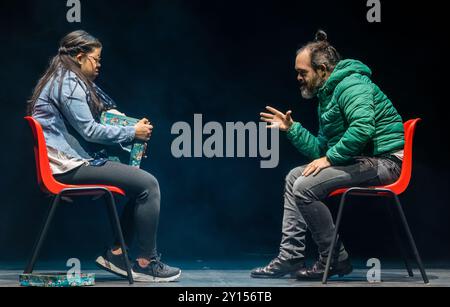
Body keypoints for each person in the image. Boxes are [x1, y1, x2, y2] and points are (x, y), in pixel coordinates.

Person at [27, 30, 181, 282]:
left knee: (140, 184)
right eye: (95, 59)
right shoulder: (67, 83)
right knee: (149, 184)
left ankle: (117, 254)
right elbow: (89, 130)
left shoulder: (64, 79)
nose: (99, 65)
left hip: (69, 162)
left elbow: (100, 114)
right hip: (67, 167)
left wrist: (125, 124)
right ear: (79, 57)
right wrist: (132, 131)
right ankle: (145, 262)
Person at [252, 30, 405, 280]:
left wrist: (330, 159)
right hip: (362, 159)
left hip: (385, 162)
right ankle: (291, 256)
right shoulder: (327, 95)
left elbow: (362, 128)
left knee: (304, 187)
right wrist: (292, 129)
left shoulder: (352, 84)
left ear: (322, 69)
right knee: (294, 177)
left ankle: (334, 259)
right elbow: (321, 151)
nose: (298, 78)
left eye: (303, 72)